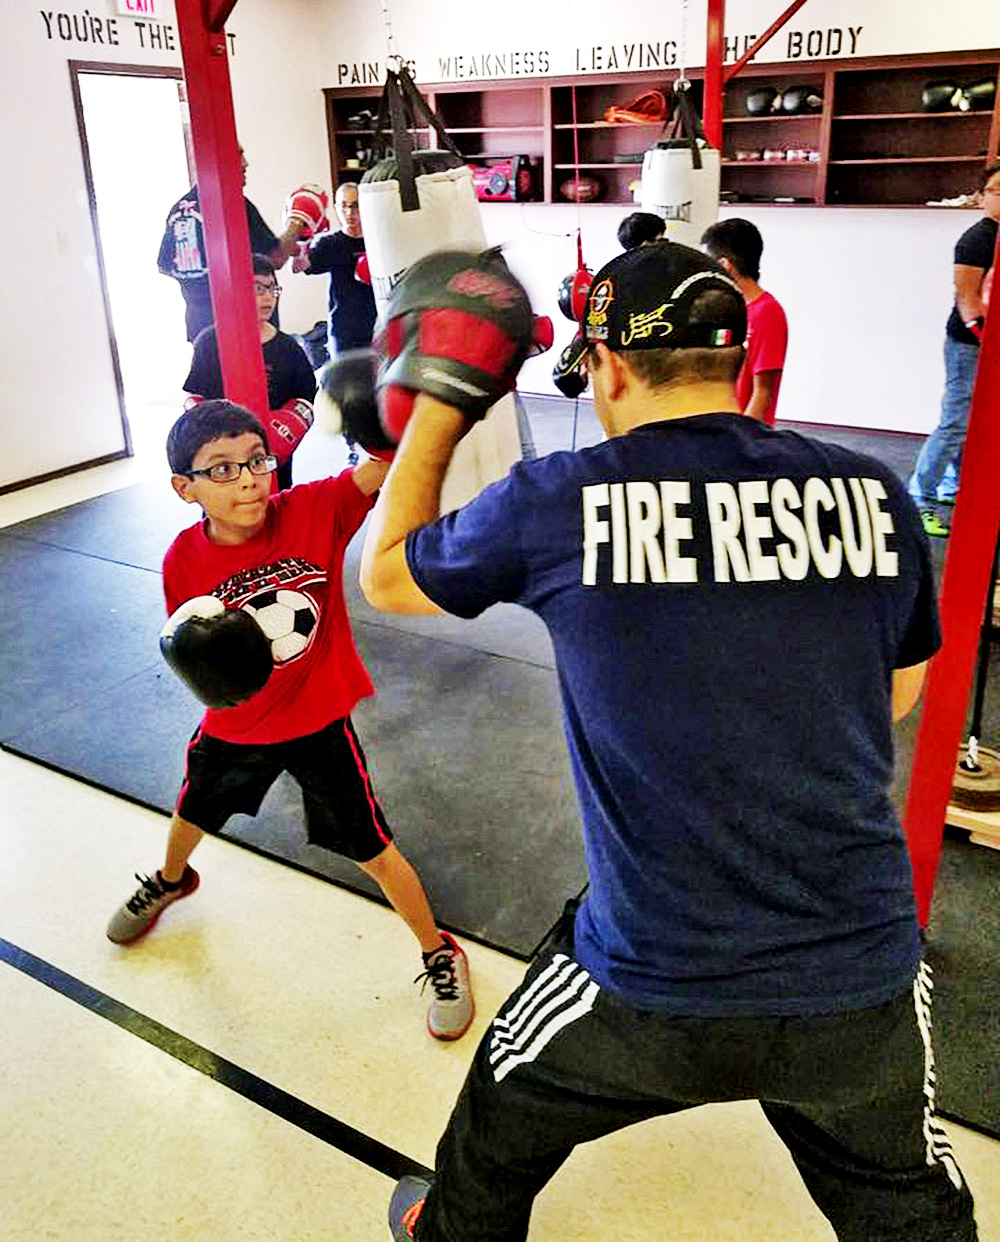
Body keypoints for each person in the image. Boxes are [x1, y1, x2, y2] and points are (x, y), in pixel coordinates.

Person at [357, 241, 977, 1241]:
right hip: (855, 980)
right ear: (733, 358)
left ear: (605, 367)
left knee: (494, 1130)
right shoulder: (874, 494)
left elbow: (385, 580)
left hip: (648, 982)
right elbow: (897, 697)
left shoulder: (558, 497)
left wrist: (441, 400)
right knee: (911, 1215)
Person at [105, 399, 475, 1042]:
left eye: (256, 460)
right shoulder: (181, 560)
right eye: (221, 469)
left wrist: (396, 406)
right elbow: (189, 646)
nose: (247, 478)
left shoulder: (312, 510)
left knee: (374, 849)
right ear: (183, 487)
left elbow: (383, 469)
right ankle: (170, 881)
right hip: (235, 728)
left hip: (316, 724)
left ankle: (439, 951)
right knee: (191, 812)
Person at [907, 160, 1000, 538]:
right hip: (968, 343)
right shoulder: (977, 239)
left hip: (985, 344)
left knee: (970, 422)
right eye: (997, 190)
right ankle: (918, 498)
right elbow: (967, 300)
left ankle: (949, 486)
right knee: (955, 423)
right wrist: (986, 343)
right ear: (981, 197)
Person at [184, 255, 317, 490]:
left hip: (272, 458)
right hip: (221, 458)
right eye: (257, 288)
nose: (267, 297)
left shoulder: (288, 348)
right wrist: (207, 429)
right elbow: (194, 394)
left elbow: (307, 396)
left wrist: (288, 427)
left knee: (277, 508)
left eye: (272, 288)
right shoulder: (209, 342)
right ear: (236, 290)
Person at [157, 146, 313, 342]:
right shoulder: (233, 203)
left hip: (201, 328)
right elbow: (275, 258)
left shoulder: (180, 209)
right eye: (238, 155)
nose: (245, 163)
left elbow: (165, 265)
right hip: (242, 327)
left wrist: (200, 284)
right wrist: (298, 221)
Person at [701, 217, 788, 426]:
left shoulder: (767, 312)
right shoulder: (726, 308)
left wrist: (742, 441)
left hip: (743, 436)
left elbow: (763, 393)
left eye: (707, 262)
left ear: (725, 265)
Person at [293, 181, 377, 356]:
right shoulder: (330, 244)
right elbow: (298, 267)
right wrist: (301, 236)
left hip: (377, 327)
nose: (349, 213)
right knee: (344, 382)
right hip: (343, 331)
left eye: (355, 206)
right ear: (336, 208)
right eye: (343, 206)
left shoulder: (377, 240)